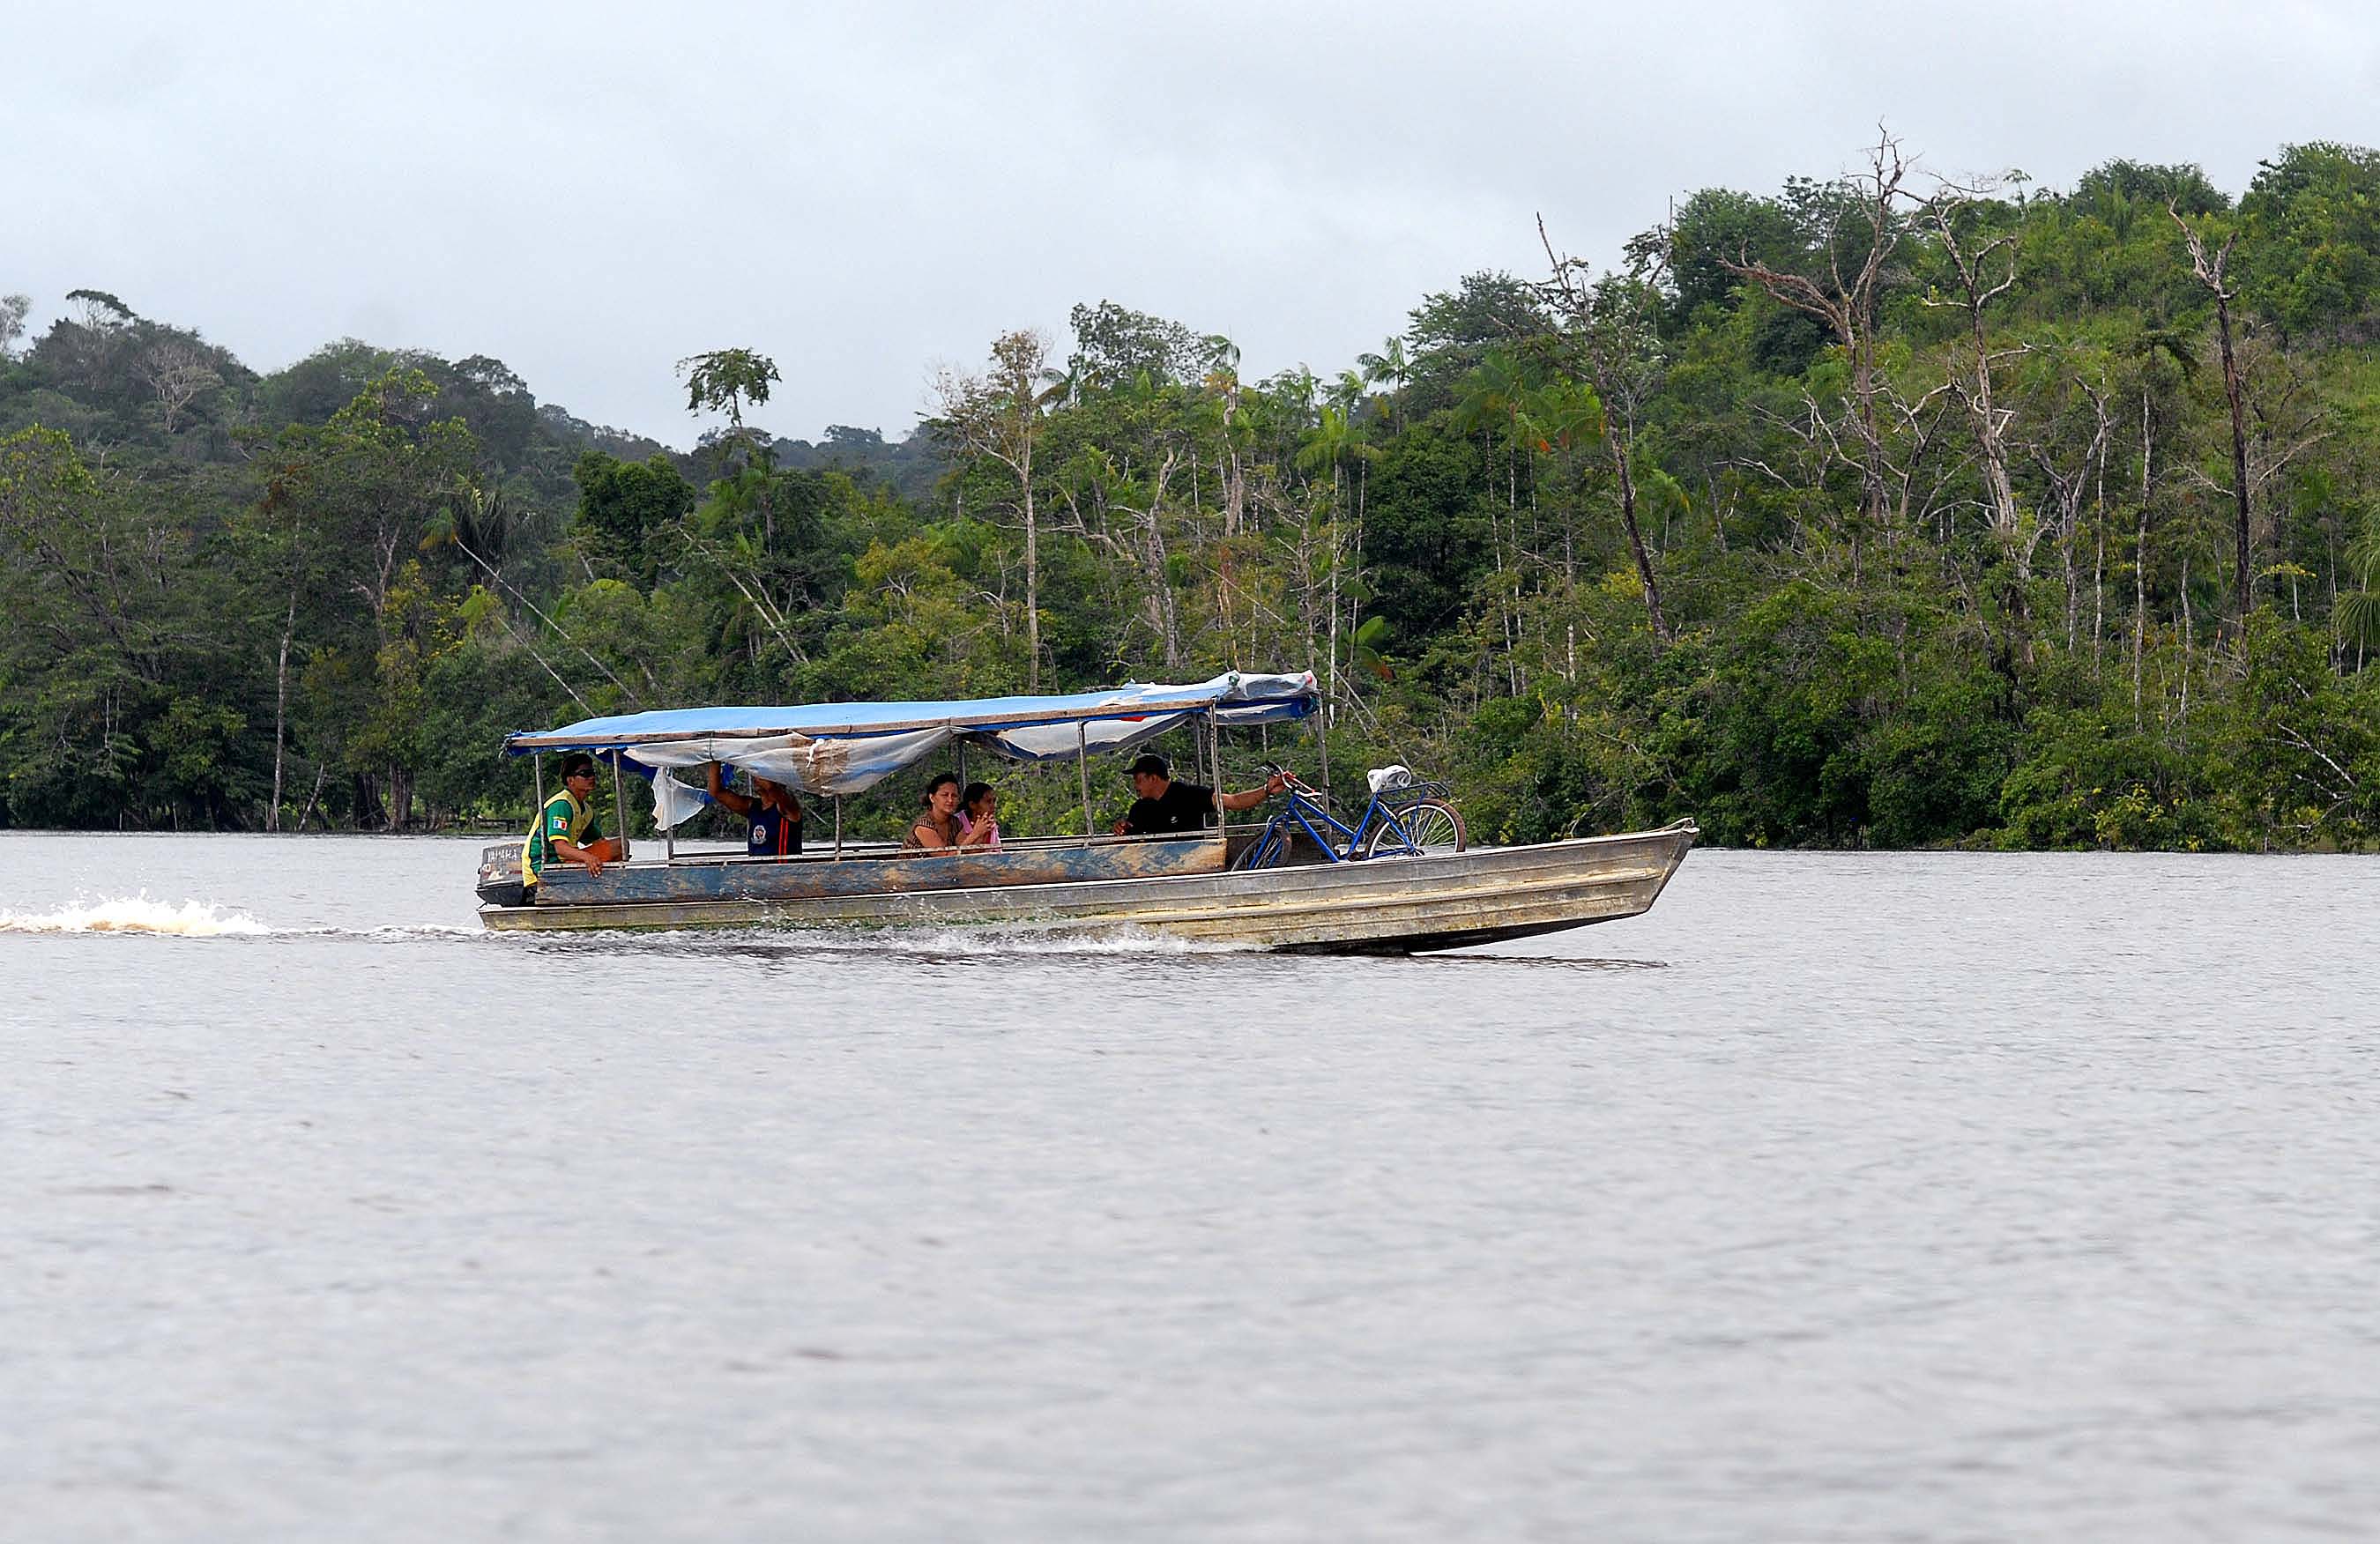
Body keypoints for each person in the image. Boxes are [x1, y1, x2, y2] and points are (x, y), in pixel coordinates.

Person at [514, 753, 620, 900]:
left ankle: (609, 889)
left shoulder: (585, 810)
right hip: (544, 869)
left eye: (592, 773)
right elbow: (560, 848)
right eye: (585, 774)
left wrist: (613, 860)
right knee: (619, 846)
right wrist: (587, 858)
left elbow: (599, 842)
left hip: (564, 864)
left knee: (620, 847)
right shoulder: (562, 804)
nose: (591, 777)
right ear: (571, 780)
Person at [1112, 753, 1285, 836]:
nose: (1135, 786)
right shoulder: (1140, 808)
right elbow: (1130, 839)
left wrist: (1266, 789)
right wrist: (1121, 830)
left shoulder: (1189, 795)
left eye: (1138, 779)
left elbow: (1234, 800)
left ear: (1153, 778)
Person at [706, 761, 804, 857]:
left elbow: (771, 788)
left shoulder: (788, 806)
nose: (754, 778)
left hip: (784, 871)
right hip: (756, 871)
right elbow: (716, 792)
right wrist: (714, 759)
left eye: (762, 774)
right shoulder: (752, 806)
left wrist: (752, 760)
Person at [904, 772, 963, 850]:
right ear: (932, 798)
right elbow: (945, 856)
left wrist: (980, 832)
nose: (950, 800)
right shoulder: (924, 825)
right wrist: (975, 833)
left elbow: (967, 849)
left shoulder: (955, 823)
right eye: (945, 795)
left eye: (954, 796)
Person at [957, 782, 1001, 850]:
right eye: (988, 801)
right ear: (972, 804)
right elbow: (958, 854)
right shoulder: (956, 822)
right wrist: (977, 833)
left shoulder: (991, 824)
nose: (993, 806)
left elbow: (998, 852)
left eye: (994, 801)